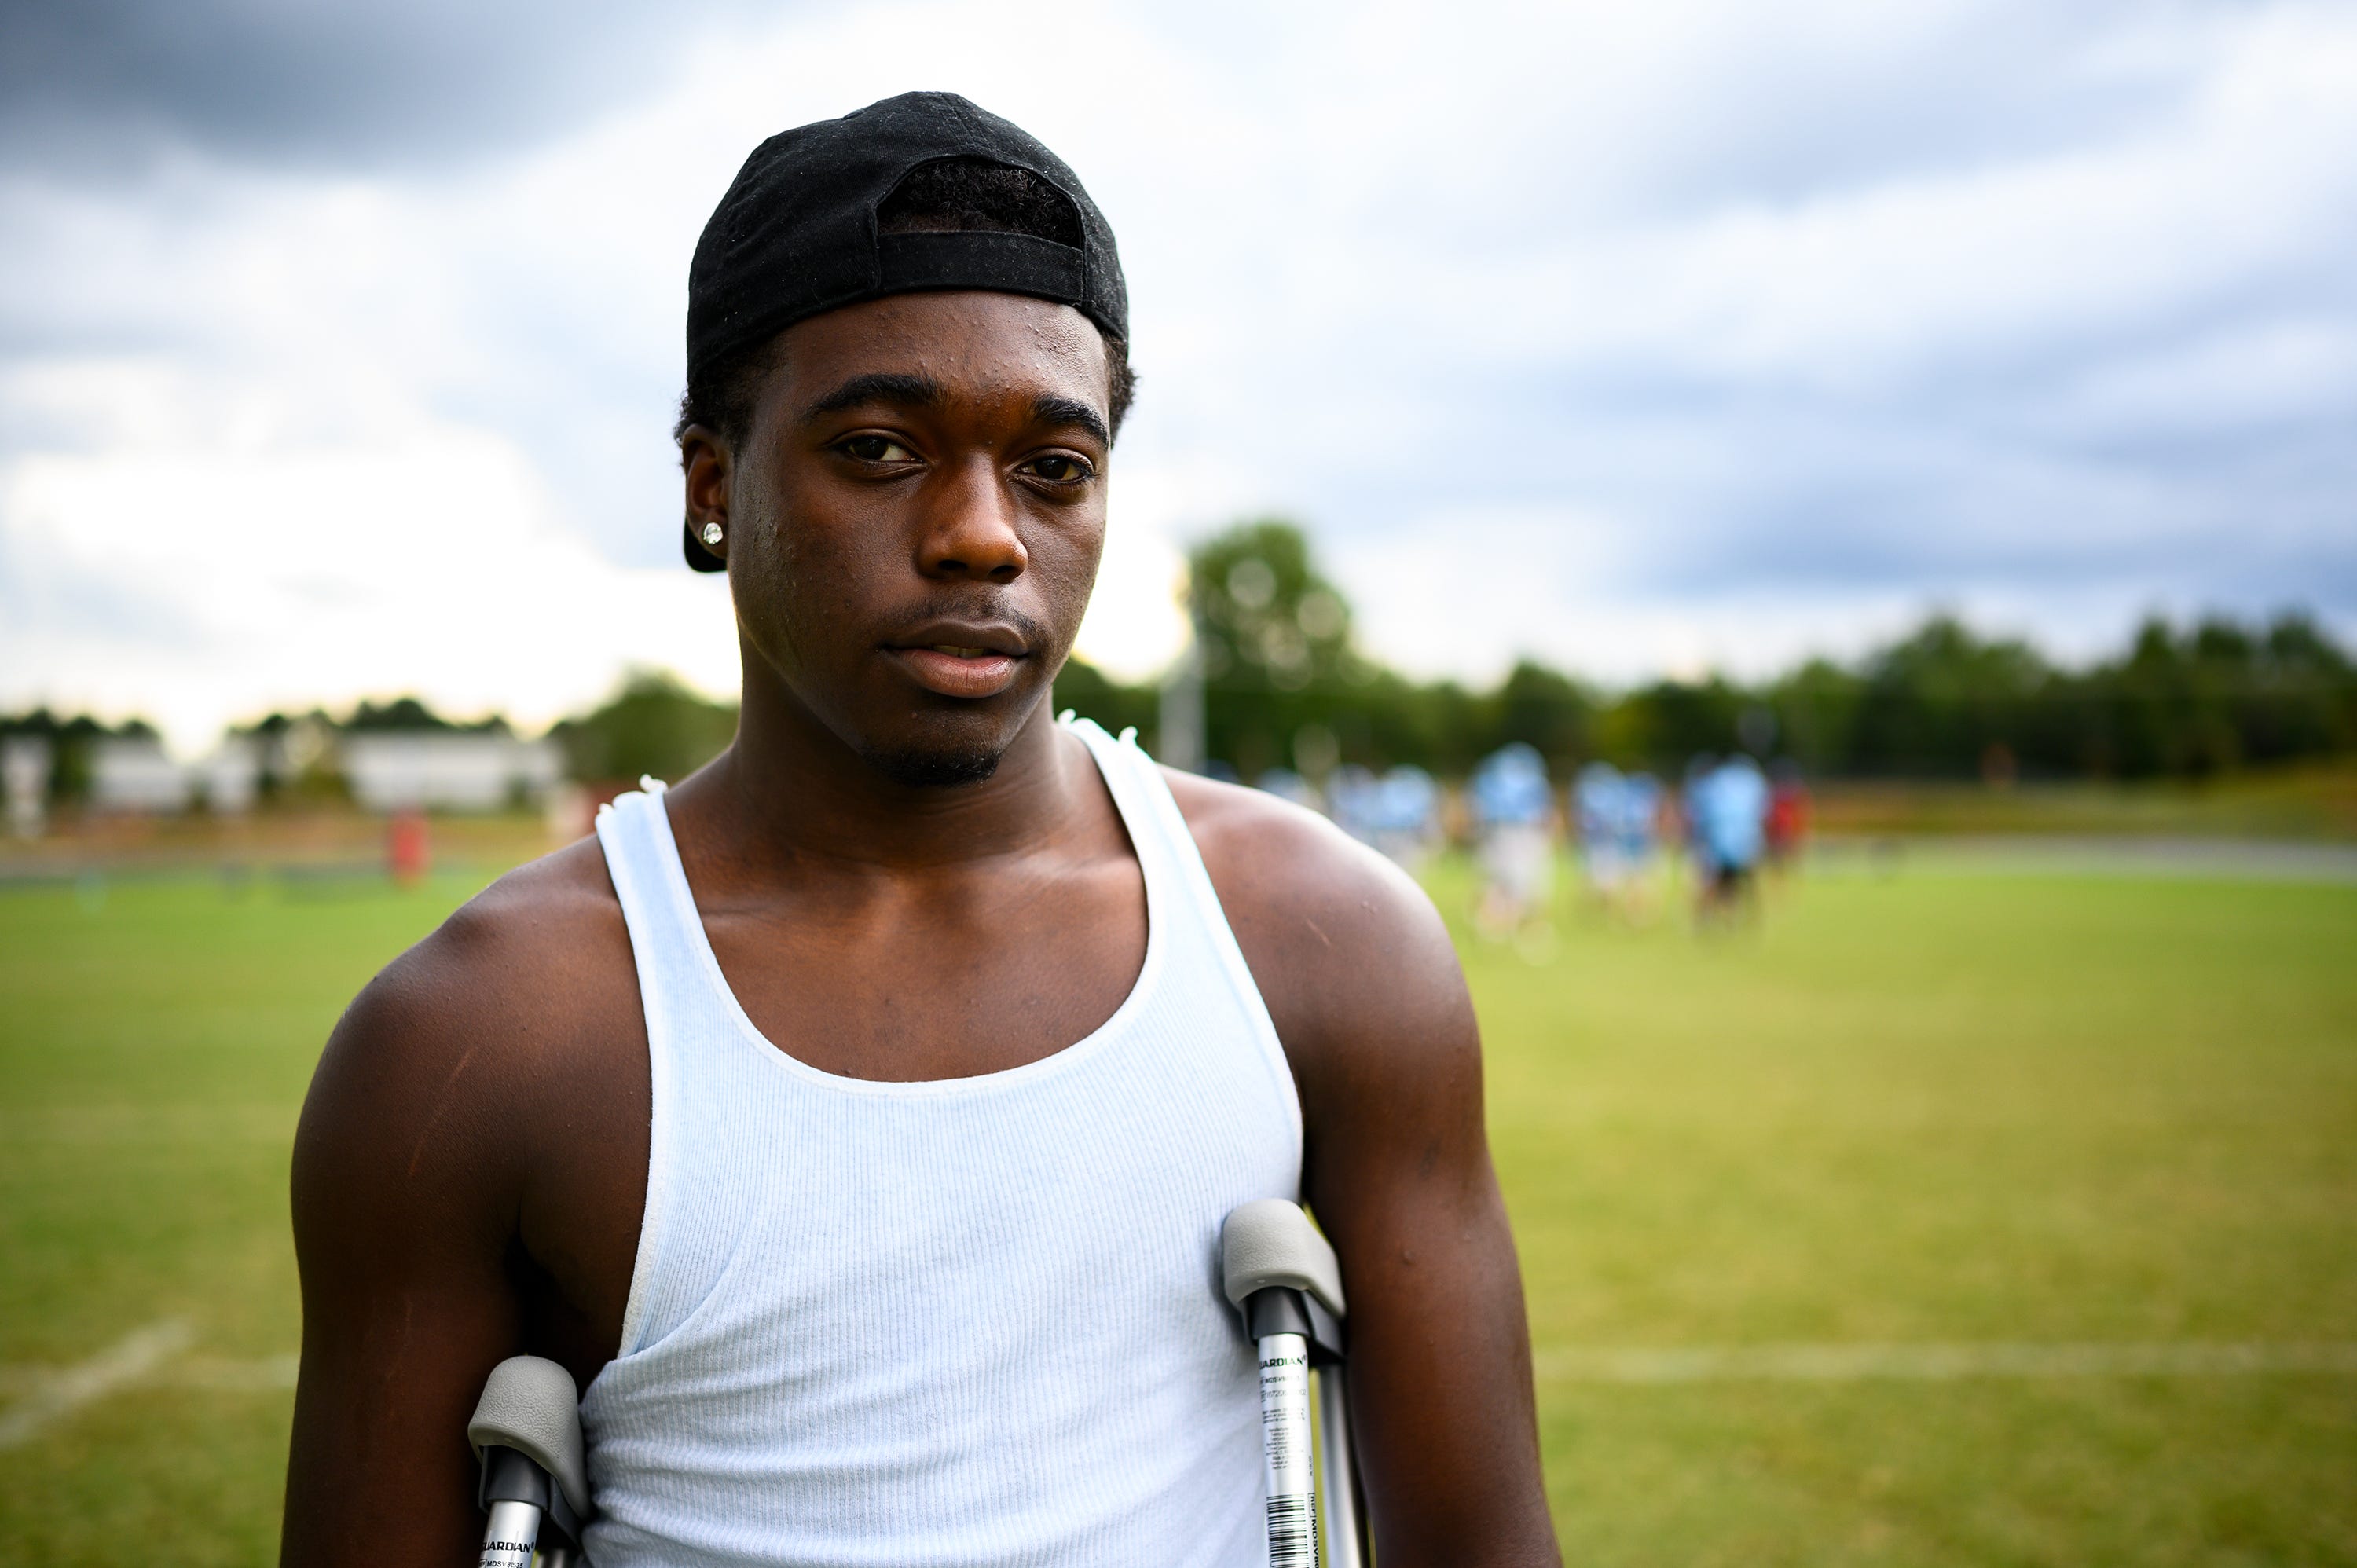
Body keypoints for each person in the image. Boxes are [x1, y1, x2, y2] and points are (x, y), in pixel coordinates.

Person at [281, 94, 1557, 1568]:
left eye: (1054, 469)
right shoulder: (478, 1040)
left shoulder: (1328, 947)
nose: (983, 533)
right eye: (883, 448)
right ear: (712, 484)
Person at [1469, 742, 1556, 938]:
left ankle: (1492, 927)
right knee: (1519, 882)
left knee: (1496, 881)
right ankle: (1506, 927)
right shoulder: (1531, 779)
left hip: (1494, 831)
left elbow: (1478, 808)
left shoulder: (1490, 776)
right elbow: (1542, 811)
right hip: (1522, 832)